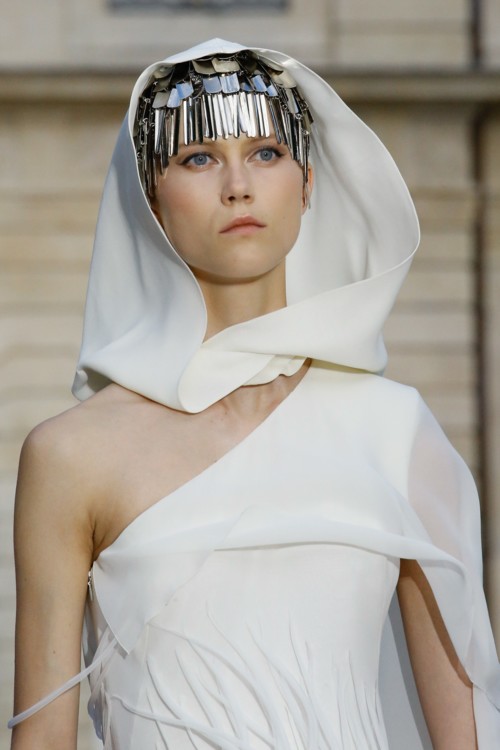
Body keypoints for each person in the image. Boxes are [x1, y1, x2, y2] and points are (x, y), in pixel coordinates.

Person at [9, 37, 500, 750]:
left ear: (307, 184)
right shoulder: (71, 456)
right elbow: (42, 736)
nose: (237, 186)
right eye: (198, 158)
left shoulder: (396, 432)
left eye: (266, 153)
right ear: (151, 198)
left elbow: (468, 731)